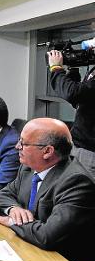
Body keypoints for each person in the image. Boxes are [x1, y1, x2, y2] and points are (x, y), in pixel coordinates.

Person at [0, 118, 95, 261]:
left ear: (47, 151)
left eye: (23, 143)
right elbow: (1, 195)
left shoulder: (76, 182)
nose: (17, 147)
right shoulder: (28, 168)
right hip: (29, 248)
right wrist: (13, 209)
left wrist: (12, 222)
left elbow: (47, 235)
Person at [47, 43, 95, 176]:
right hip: (79, 145)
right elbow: (79, 99)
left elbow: (72, 93)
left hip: (90, 151)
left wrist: (56, 68)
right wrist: (73, 69)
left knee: (82, 193)